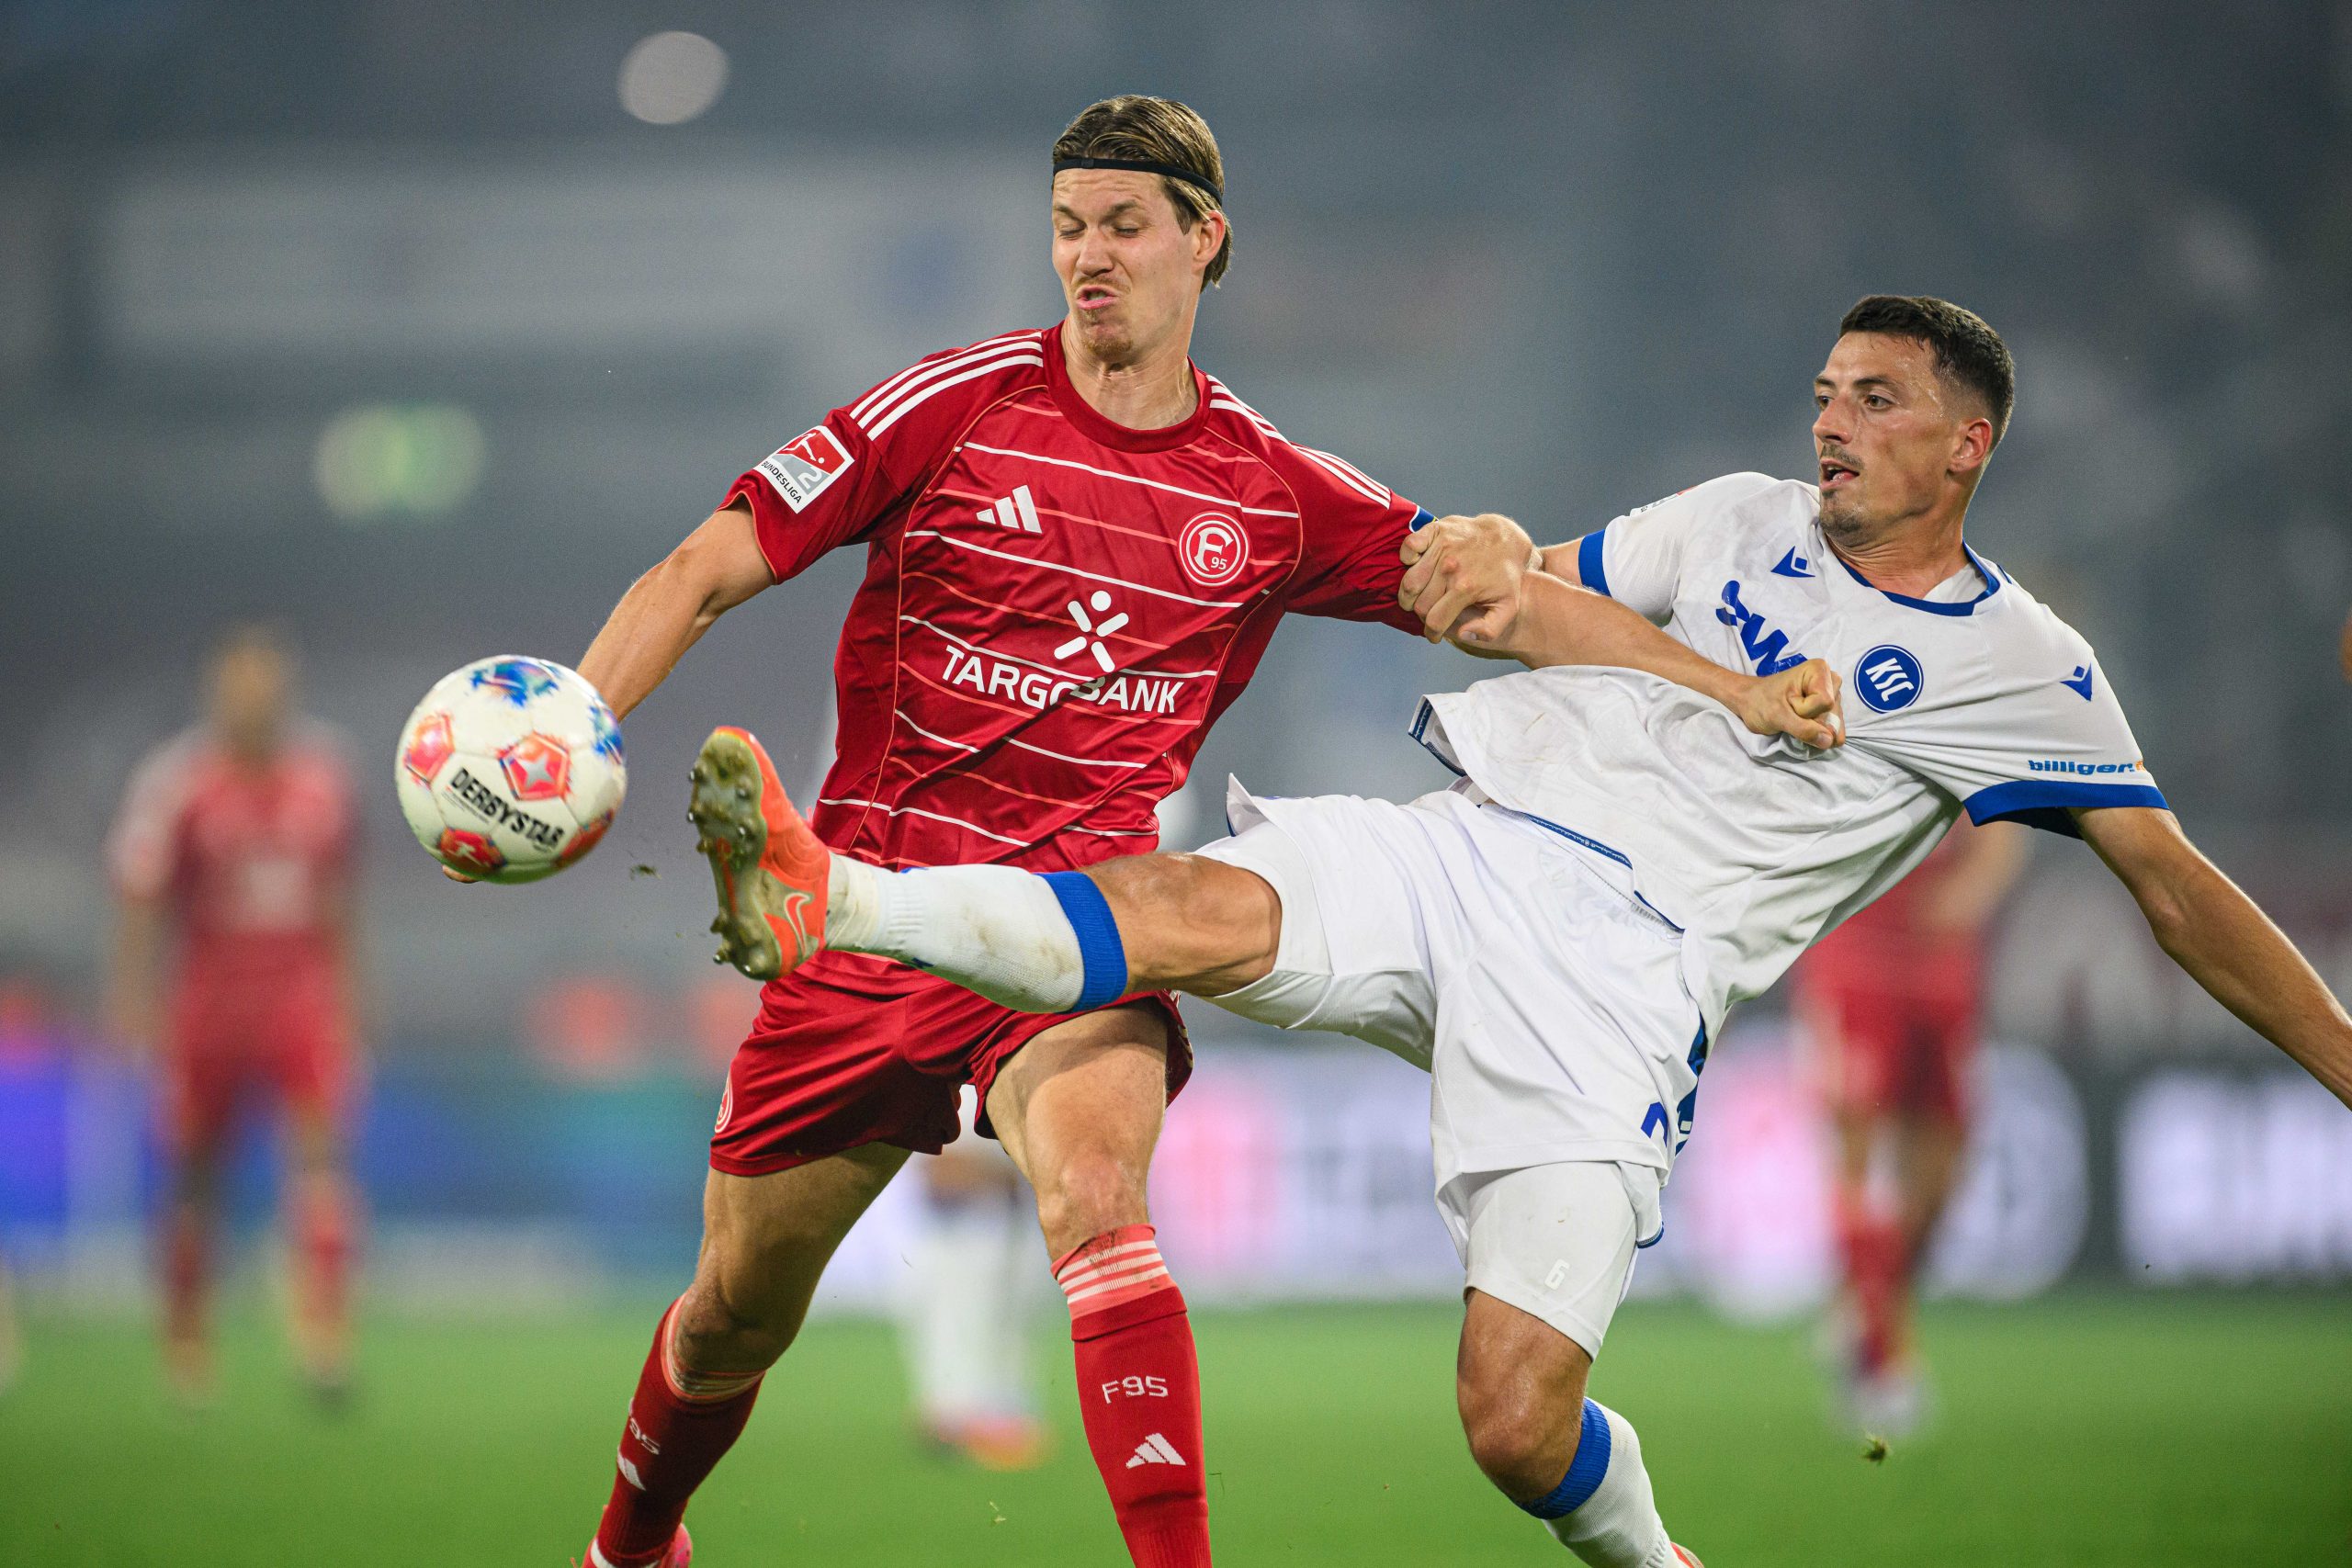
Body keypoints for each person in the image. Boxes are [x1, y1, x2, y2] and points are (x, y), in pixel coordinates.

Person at [714, 296, 2352, 1567]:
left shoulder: (2025, 663)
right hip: (1475, 840)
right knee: (1177, 906)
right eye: (1828, 391)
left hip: (1626, 984)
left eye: (1878, 400)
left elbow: (2175, 886)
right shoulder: (1730, 517)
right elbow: (1518, 594)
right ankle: (829, 890)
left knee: (1511, 1419)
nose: (1832, 423)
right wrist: (1487, 556)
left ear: (1968, 444)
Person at [560, 94, 1832, 1568]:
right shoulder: (951, 404)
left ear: (1201, 241)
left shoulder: (1268, 487)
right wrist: (576, 727)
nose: (1086, 258)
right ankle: (631, 1544)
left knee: (1097, 1193)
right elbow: (706, 563)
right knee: (734, 1305)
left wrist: (1729, 688)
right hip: (859, 906)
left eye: (1120, 227)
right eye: (1065, 229)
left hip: (1090, 917)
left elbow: (1507, 604)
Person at [107, 624, 364, 1406]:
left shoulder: (326, 779)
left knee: (320, 1164)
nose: (255, 697)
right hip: (208, 1003)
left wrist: (351, 1001)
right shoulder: (178, 782)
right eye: (240, 683)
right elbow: (141, 900)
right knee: (194, 1176)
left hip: (299, 995)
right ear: (217, 690)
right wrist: (132, 1002)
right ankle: (188, 1349)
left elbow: (342, 902)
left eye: (268, 681)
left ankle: (321, 1343)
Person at [1792, 814, 2024, 1434]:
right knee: (1856, 1157)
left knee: (1943, 1176)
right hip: (1853, 952)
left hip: (1941, 962)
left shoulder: (1968, 717)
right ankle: (1881, 1357)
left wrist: (1972, 887)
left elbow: (2002, 826)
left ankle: (1866, 1304)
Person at [899, 1089, 1051, 1471]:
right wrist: (1014, 1170)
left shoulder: (1008, 1084)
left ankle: (997, 1421)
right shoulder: (957, 1092)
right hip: (960, 1226)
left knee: (1006, 1330)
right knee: (958, 1327)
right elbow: (943, 1170)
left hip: (1008, 1223)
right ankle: (957, 1424)